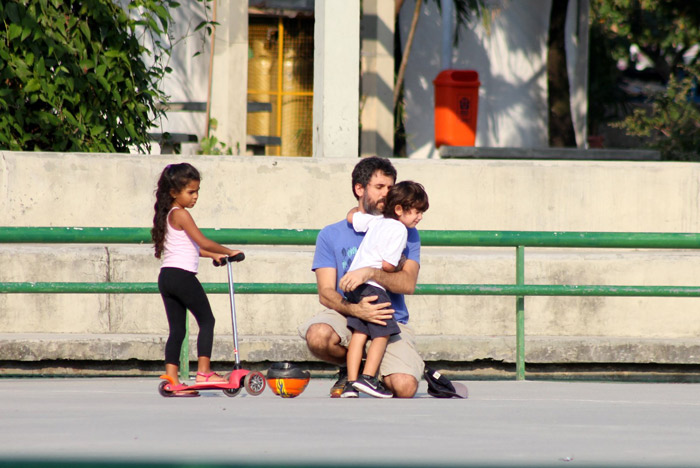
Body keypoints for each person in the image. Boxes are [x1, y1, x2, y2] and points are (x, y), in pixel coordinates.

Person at [298, 156, 424, 398]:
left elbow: (408, 284)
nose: (387, 194)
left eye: (390, 188)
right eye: (379, 187)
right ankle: (354, 374)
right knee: (318, 336)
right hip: (345, 312)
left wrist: (370, 272)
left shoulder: (407, 231)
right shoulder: (330, 234)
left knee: (405, 387)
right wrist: (357, 311)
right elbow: (325, 292)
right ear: (359, 188)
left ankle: (369, 373)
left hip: (389, 316)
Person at [151, 163, 242, 397]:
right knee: (207, 320)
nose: (195, 197)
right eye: (190, 192)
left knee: (177, 330)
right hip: (182, 277)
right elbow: (202, 241)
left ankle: (172, 379)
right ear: (174, 193)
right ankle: (203, 371)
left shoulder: (168, 214)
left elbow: (191, 249)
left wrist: (214, 255)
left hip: (167, 277)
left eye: (197, 191)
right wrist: (230, 251)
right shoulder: (181, 214)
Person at [341, 181, 429, 398]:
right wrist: (401, 262)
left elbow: (352, 217)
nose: (420, 217)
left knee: (360, 334)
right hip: (374, 287)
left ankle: (351, 383)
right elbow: (388, 266)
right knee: (382, 333)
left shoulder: (378, 221)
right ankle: (368, 378)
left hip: (355, 286)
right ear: (399, 209)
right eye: (417, 211)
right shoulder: (400, 230)